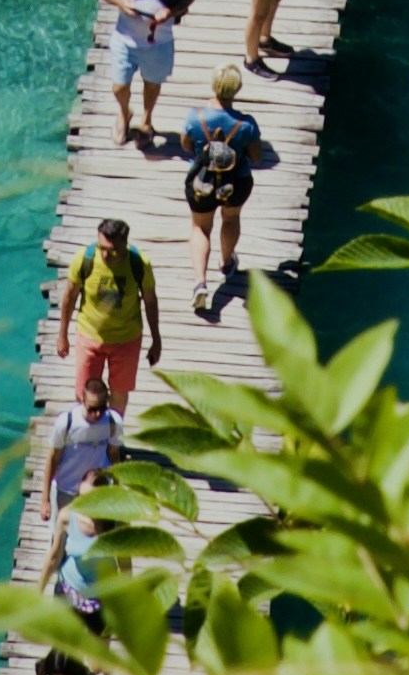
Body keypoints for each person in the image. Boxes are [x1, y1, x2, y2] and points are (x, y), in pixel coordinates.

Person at [177, 71, 280, 313]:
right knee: (231, 218)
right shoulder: (247, 124)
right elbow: (256, 157)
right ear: (237, 90)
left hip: (202, 182)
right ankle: (226, 262)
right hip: (236, 182)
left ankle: (200, 283)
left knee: (200, 227)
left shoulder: (195, 117)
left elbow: (186, 145)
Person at [98, 0, 194, 146]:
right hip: (125, 37)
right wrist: (121, 3)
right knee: (119, 86)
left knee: (152, 83)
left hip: (159, 40)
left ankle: (146, 120)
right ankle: (124, 113)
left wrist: (169, 12)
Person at [61, 212, 162, 416]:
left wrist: (156, 340)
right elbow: (69, 296)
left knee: (119, 393)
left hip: (126, 339)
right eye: (102, 249)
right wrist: (62, 335)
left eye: (113, 251)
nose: (106, 255)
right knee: (84, 394)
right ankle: (86, 437)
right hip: (90, 337)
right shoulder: (84, 259)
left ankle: (113, 439)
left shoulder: (139, 264)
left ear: (125, 244)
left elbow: (150, 301)